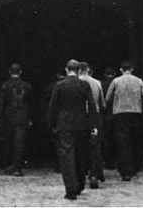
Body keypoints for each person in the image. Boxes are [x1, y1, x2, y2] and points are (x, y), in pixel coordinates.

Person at [47, 59, 98, 201]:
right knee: (81, 155)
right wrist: (93, 125)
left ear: (66, 69)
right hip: (82, 124)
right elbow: (91, 105)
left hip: (65, 124)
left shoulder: (60, 85)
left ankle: (70, 189)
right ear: (78, 70)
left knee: (67, 156)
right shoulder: (84, 85)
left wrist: (52, 124)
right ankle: (80, 184)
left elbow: (53, 107)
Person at [104, 60, 143, 182]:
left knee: (122, 143)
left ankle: (125, 171)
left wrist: (106, 110)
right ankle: (135, 167)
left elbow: (107, 99)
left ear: (121, 70)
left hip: (120, 114)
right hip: (135, 113)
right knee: (134, 140)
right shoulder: (139, 81)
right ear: (132, 69)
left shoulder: (116, 81)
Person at [0, 62, 35, 176]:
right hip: (23, 117)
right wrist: (30, 118)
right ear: (20, 72)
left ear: (10, 72)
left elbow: (1, 103)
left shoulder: (5, 85)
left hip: (8, 117)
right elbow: (31, 104)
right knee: (19, 142)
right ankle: (17, 166)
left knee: (9, 141)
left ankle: (10, 165)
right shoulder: (27, 86)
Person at [78, 62, 106, 189]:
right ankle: (94, 175)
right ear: (89, 70)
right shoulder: (97, 83)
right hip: (94, 118)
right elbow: (102, 104)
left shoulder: (73, 82)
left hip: (79, 118)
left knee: (79, 147)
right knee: (94, 147)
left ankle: (79, 175)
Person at [100, 66, 117, 169]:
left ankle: (106, 160)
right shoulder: (117, 84)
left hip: (104, 115)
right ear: (114, 74)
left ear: (104, 75)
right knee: (116, 139)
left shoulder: (101, 84)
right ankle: (114, 161)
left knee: (105, 139)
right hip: (116, 114)